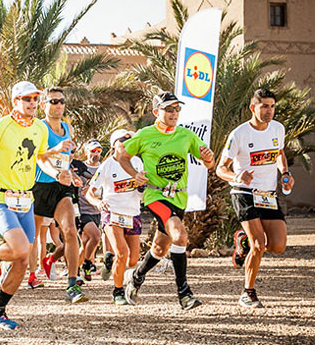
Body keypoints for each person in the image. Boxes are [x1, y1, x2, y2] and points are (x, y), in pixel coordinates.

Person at [115, 90, 215, 310]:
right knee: (180, 236)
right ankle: (184, 294)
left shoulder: (186, 135)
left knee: (160, 249)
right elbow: (121, 155)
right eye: (169, 109)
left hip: (179, 197)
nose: (174, 113)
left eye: (177, 108)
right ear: (156, 112)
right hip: (156, 195)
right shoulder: (145, 134)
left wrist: (209, 158)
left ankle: (136, 277)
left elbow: (208, 162)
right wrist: (134, 174)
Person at [0, 80, 52, 330]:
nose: (32, 103)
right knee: (18, 248)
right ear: (16, 101)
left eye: (35, 99)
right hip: (1, 197)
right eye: (27, 99)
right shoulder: (1, 126)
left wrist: (58, 173)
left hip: (26, 199)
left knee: (22, 259)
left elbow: (40, 158)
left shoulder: (40, 128)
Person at [215, 88, 293, 309]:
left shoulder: (278, 128)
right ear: (253, 108)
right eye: (265, 106)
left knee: (278, 245)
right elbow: (221, 169)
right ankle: (247, 293)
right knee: (258, 244)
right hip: (244, 193)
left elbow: (279, 153)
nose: (269, 111)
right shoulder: (239, 134)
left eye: (272, 106)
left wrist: (285, 173)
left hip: (268, 194)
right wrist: (237, 176)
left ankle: (242, 242)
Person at [30, 87, 87, 304]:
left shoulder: (67, 127)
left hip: (61, 186)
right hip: (39, 185)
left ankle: (72, 284)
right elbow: (39, 157)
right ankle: (32, 274)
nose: (59, 105)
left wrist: (72, 175)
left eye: (61, 101)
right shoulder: (39, 127)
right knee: (33, 237)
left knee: (70, 231)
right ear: (43, 105)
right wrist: (56, 165)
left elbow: (66, 158)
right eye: (53, 101)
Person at [87, 129, 144, 305]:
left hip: (133, 212)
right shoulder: (107, 166)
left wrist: (143, 186)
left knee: (133, 259)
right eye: (123, 140)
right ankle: (117, 291)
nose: (127, 142)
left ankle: (111, 261)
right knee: (122, 252)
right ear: (114, 144)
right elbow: (90, 193)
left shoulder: (137, 162)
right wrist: (97, 203)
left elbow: (143, 189)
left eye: (130, 139)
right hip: (112, 212)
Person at [72, 140, 103, 281]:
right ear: (86, 152)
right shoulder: (79, 167)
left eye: (98, 151)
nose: (95, 154)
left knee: (85, 246)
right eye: (92, 151)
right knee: (95, 237)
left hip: (98, 211)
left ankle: (75, 272)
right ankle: (87, 263)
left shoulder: (104, 168)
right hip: (82, 210)